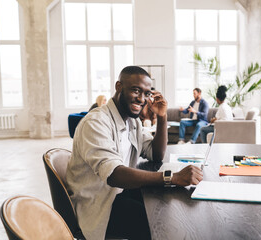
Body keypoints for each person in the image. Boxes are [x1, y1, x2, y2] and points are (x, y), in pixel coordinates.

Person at [66, 66, 203, 240]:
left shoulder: (133, 122)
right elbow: (114, 174)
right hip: (98, 207)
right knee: (162, 226)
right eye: (136, 90)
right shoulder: (96, 123)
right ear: (118, 87)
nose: (142, 99)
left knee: (166, 206)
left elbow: (156, 154)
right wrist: (172, 177)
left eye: (147, 93)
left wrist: (162, 117)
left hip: (118, 195)